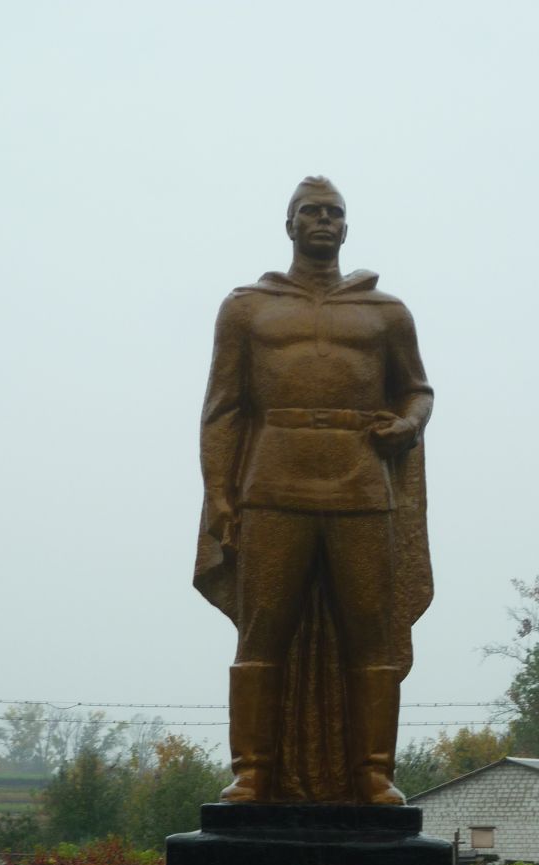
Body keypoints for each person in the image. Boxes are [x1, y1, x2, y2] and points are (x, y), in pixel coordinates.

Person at [193, 176, 433, 805]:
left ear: (346, 228)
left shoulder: (386, 311)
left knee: (371, 631)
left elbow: (417, 390)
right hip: (273, 482)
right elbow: (222, 408)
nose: (323, 220)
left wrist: (408, 425)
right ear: (290, 225)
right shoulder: (247, 307)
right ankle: (252, 771)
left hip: (361, 484)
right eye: (310, 211)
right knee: (262, 630)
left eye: (333, 212)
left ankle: (374, 773)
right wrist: (219, 495)